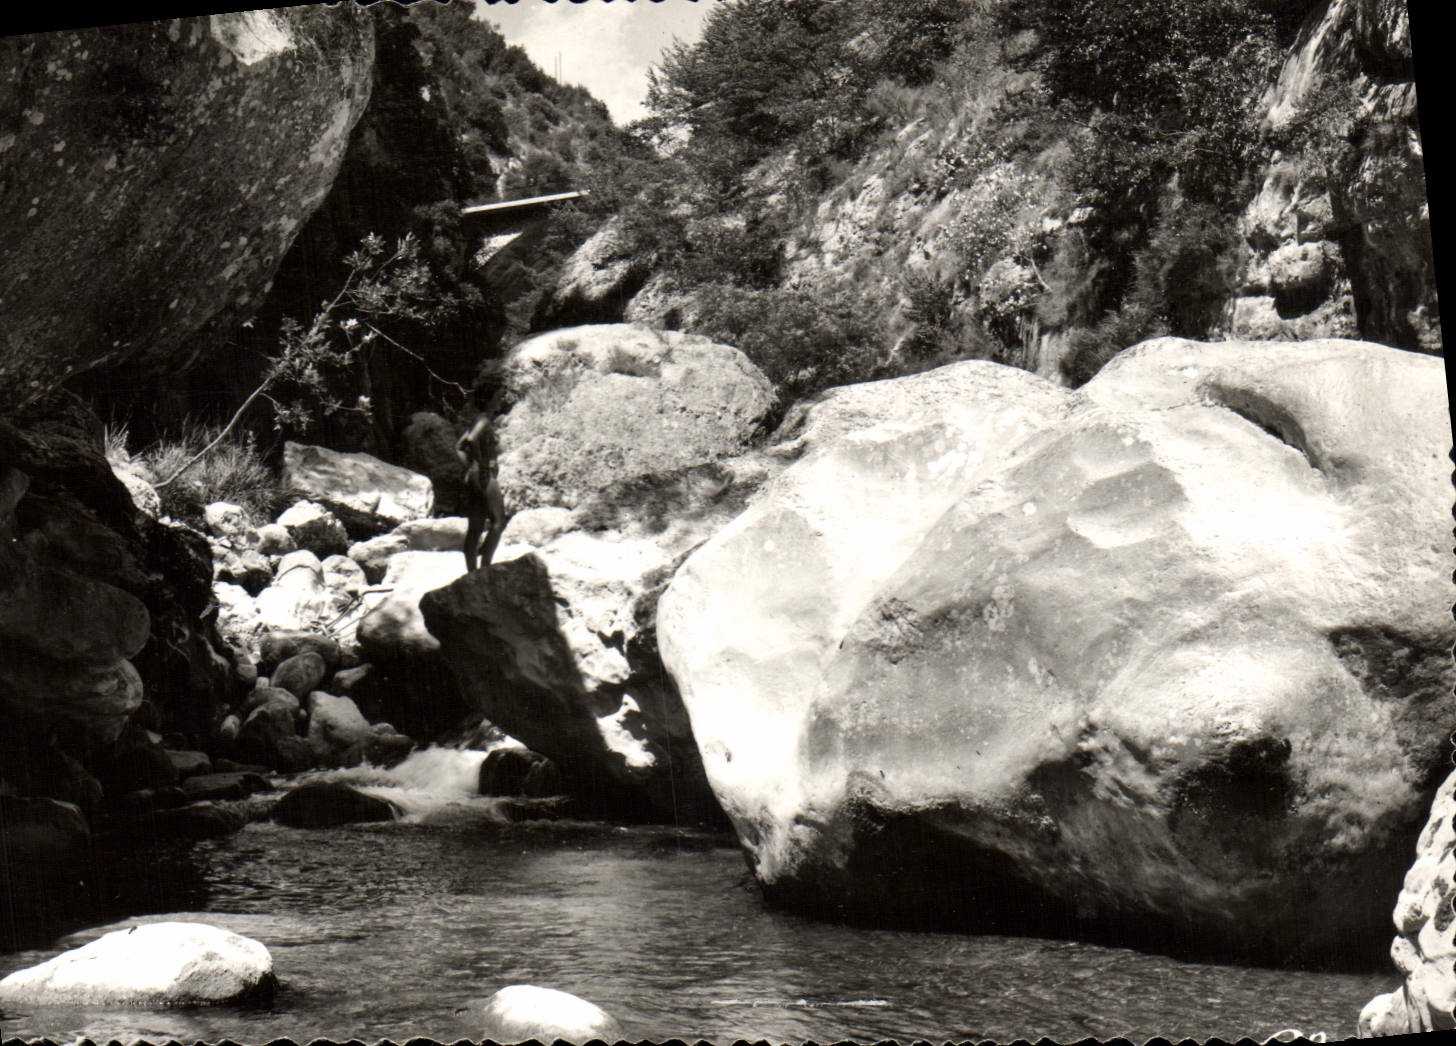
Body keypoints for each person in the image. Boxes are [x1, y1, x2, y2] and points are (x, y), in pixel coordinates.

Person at [457, 386, 507, 573]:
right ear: (489, 400)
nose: (499, 401)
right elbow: (469, 441)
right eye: (497, 397)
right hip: (485, 477)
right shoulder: (484, 421)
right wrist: (482, 463)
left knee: (476, 527)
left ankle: (472, 572)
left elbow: (459, 448)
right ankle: (485, 566)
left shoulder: (476, 420)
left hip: (475, 476)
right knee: (498, 521)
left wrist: (469, 467)